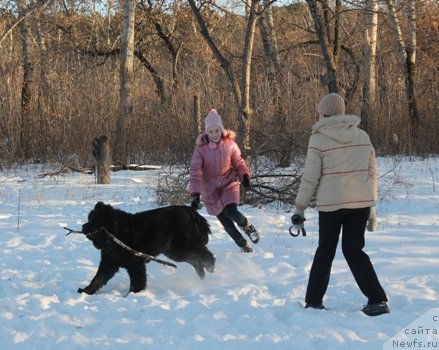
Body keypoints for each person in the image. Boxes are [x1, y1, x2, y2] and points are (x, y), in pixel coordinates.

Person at [291, 93, 389, 316]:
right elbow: (372, 174)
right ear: (343, 112)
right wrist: (371, 207)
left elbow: (311, 177)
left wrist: (299, 207)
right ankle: (377, 299)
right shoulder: (362, 136)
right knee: (354, 250)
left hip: (331, 205)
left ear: (323, 113)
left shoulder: (318, 138)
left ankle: (314, 301)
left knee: (325, 250)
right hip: (360, 204)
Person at [189, 109, 260, 252]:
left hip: (229, 183)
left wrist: (245, 175)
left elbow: (239, 163)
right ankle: (244, 245)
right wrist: (195, 193)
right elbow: (195, 171)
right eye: (211, 131)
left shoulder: (230, 144)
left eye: (217, 131)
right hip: (210, 191)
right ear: (206, 132)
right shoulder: (200, 149)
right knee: (227, 224)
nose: (214, 134)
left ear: (221, 130)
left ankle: (246, 225)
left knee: (231, 212)